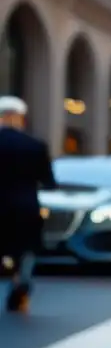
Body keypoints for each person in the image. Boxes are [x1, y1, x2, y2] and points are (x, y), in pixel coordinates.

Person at [0, 96, 56, 314]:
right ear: (19, 118)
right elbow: (49, 182)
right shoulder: (35, 145)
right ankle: (22, 279)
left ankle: (10, 270)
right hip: (26, 206)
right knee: (27, 248)